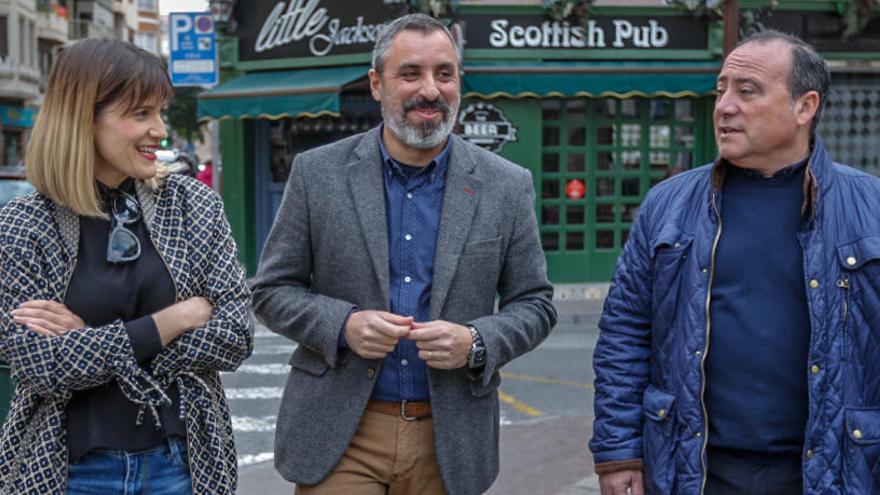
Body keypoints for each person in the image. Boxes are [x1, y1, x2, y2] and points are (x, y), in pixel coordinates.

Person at [251, 13, 557, 495]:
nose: (431, 90)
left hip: (450, 437)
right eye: (410, 73)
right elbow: (270, 291)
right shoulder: (318, 173)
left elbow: (536, 305)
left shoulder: (506, 186)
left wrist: (476, 341)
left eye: (444, 73)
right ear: (377, 84)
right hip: (343, 434)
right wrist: (344, 325)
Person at [590, 28, 880, 495]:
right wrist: (617, 452)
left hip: (832, 469)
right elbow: (624, 336)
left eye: (747, 92)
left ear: (805, 107)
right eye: (721, 89)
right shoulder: (668, 205)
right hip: (697, 468)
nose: (724, 106)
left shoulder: (870, 207)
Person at [0, 39, 253, 494]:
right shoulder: (23, 224)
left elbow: (235, 334)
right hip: (70, 471)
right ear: (83, 119)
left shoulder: (193, 206)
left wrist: (87, 340)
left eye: (160, 112)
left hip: (181, 465)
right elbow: (38, 364)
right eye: (140, 114)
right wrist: (172, 320)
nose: (159, 129)